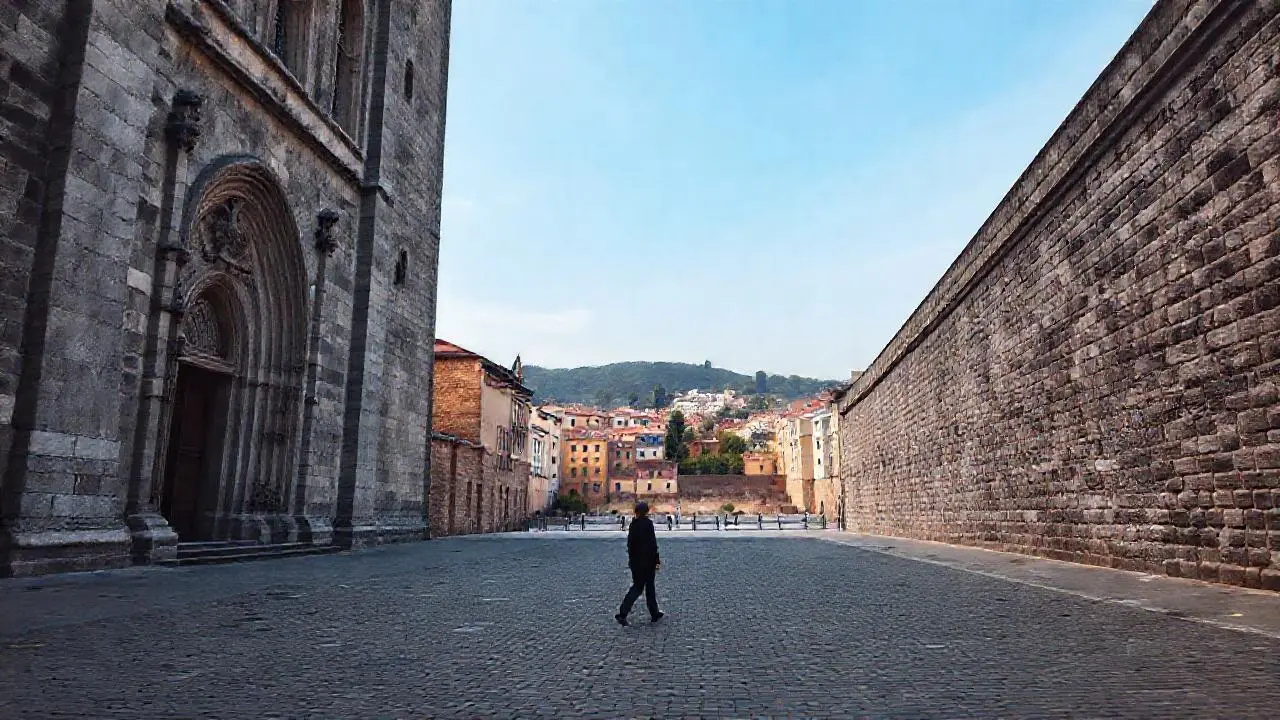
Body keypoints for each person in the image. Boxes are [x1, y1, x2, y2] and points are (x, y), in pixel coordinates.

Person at [615, 501, 663, 626]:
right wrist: (656, 560)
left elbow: (630, 545)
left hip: (636, 562)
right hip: (648, 561)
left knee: (637, 587)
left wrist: (632, 560)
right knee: (649, 588)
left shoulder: (633, 525)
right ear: (646, 511)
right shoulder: (648, 524)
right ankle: (653, 613)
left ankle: (624, 613)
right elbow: (652, 544)